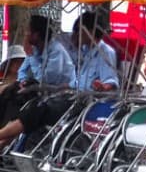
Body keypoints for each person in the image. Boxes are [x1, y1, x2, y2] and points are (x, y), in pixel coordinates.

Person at [0, 12, 118, 147]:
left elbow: (111, 82)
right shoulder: (86, 51)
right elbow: (75, 82)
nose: (76, 35)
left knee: (36, 110)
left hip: (84, 103)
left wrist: (103, 87)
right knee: (13, 96)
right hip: (68, 95)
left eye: (79, 31)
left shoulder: (105, 52)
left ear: (90, 32)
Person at [0, 16, 74, 125]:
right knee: (8, 92)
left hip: (56, 93)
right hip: (36, 89)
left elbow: (44, 79)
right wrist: (23, 81)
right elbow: (22, 71)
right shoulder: (35, 49)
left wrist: (31, 55)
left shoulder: (56, 51)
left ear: (37, 34)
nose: (26, 34)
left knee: (17, 100)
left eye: (28, 31)